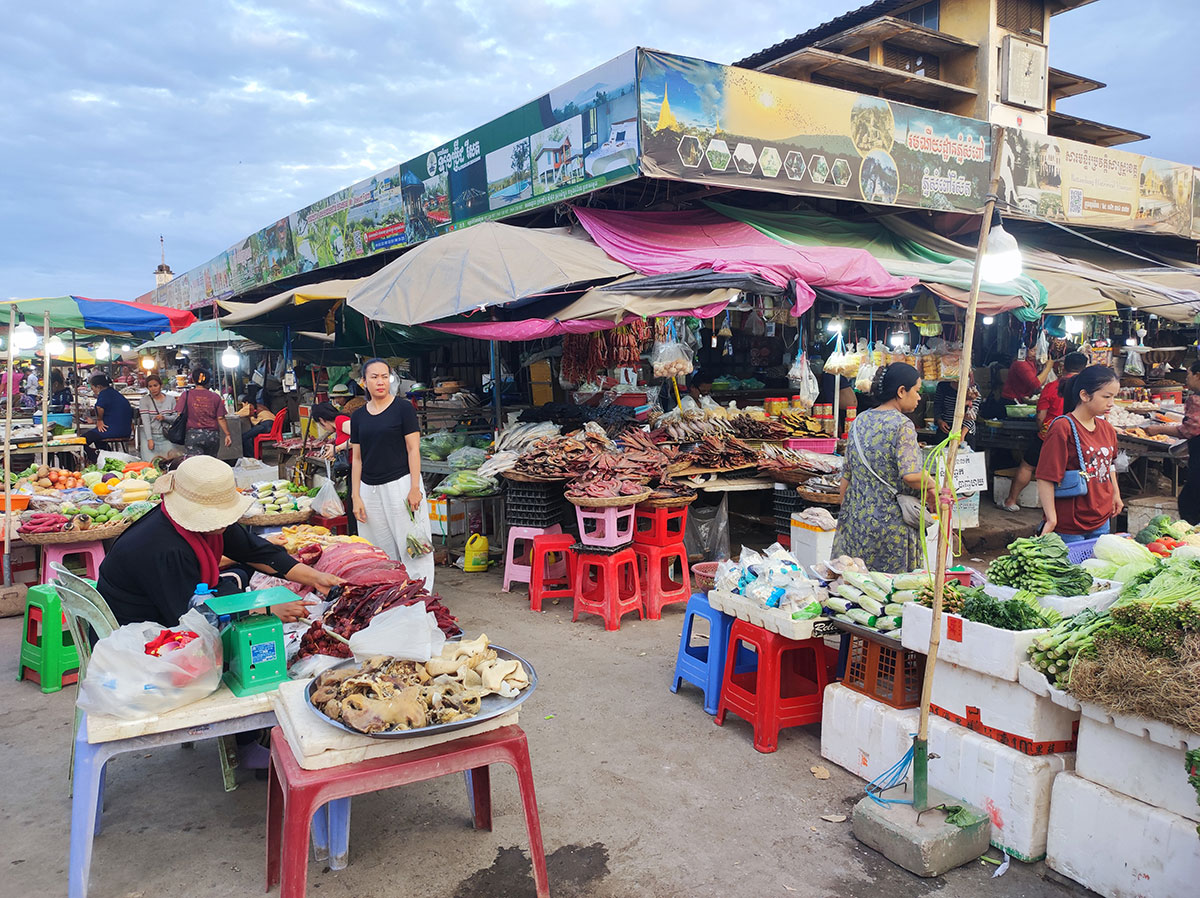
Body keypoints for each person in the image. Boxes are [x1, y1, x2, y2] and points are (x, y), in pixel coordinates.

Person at [98, 455, 344, 628]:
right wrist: (264, 611)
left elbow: (255, 552)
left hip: (172, 607)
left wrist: (317, 578)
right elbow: (190, 617)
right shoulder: (163, 547)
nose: (225, 521)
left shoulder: (206, 525)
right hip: (139, 631)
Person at [832, 364, 940, 574]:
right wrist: (932, 483)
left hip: (857, 521)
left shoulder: (859, 420)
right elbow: (910, 476)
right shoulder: (902, 425)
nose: (919, 398)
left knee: (856, 587)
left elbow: (846, 476)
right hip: (891, 526)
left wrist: (846, 516)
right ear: (901, 391)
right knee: (889, 593)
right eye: (916, 391)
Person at [350, 358, 434, 585]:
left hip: (401, 484)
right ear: (363, 382)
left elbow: (413, 449)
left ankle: (419, 595)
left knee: (412, 543)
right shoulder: (358, 416)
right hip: (369, 490)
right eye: (374, 377)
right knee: (377, 546)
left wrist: (415, 487)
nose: (380, 382)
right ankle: (386, 593)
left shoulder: (403, 409)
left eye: (385, 376)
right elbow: (357, 459)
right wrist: (355, 495)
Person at [1036, 365, 1123, 543]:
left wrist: (1116, 494)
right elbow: (1045, 476)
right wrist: (1051, 519)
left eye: (1114, 396)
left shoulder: (1107, 429)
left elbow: (1109, 465)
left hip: (1102, 518)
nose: (1111, 403)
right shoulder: (1063, 427)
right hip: (1070, 523)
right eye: (1106, 396)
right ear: (1084, 395)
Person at [999, 352, 1088, 512]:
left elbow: (1041, 416)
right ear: (1085, 368)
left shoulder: (1052, 387)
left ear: (1063, 367)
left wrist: (1042, 430)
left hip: (1049, 434)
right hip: (1076, 436)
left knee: (1027, 466)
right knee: (1071, 471)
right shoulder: (1086, 391)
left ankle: (1011, 501)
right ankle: (1067, 510)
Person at [1146, 360, 1200, 523]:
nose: (1186, 378)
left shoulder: (1196, 400)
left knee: (1190, 502)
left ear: (1198, 376)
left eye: (1189, 374)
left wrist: (1158, 429)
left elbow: (1190, 429)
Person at [176, 367, 231, 457]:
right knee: (210, 464)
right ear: (208, 380)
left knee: (196, 466)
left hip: (193, 435)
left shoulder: (186, 395)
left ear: (193, 380)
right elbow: (221, 418)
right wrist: (227, 434)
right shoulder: (215, 396)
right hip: (212, 436)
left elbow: (180, 415)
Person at [83, 374, 133, 455]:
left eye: (93, 388)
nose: (93, 391)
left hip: (115, 430)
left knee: (83, 439)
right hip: (125, 430)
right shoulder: (114, 393)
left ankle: (94, 457)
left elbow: (99, 407)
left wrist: (99, 420)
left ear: (98, 387)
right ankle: (106, 456)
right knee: (97, 438)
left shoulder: (104, 394)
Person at [139, 374, 181, 460]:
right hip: (150, 435)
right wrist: (149, 440)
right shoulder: (144, 401)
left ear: (160, 385)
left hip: (167, 436)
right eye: (150, 386)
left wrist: (164, 418)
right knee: (149, 463)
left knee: (169, 461)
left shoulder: (171, 399)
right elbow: (145, 421)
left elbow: (176, 418)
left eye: (155, 385)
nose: (153, 388)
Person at [238, 390, 276, 457]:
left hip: (265, 425)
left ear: (246, 403)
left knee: (244, 437)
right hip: (272, 425)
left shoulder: (249, 407)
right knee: (249, 436)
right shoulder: (260, 406)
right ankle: (253, 455)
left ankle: (251, 456)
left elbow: (238, 414)